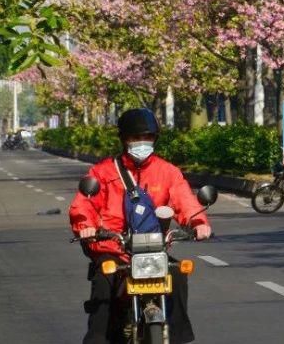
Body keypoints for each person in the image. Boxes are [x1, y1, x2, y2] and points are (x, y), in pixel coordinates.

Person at [69, 108, 212, 344]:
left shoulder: (168, 172)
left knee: (177, 277)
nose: (141, 143)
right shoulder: (103, 172)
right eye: (136, 138)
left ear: (155, 139)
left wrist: (198, 222)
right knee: (103, 286)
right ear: (124, 139)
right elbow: (83, 205)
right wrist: (87, 226)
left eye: (147, 138)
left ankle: (176, 338)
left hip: (153, 248)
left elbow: (185, 200)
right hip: (112, 246)